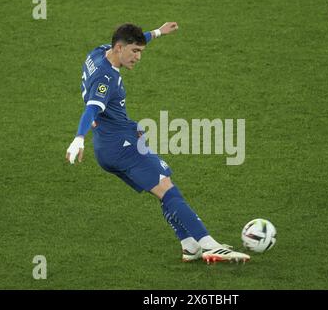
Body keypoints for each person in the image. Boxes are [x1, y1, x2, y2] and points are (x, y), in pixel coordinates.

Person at [65, 22, 250, 263]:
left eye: (140, 51)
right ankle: (209, 245)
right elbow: (91, 108)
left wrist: (158, 32)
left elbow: (132, 43)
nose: (138, 57)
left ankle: (189, 246)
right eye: (135, 52)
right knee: (167, 189)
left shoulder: (98, 52)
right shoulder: (105, 78)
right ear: (119, 48)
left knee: (163, 187)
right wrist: (79, 138)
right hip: (121, 146)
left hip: (108, 147)